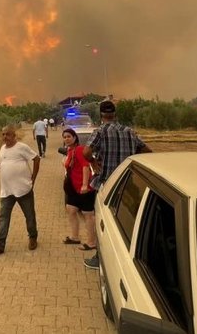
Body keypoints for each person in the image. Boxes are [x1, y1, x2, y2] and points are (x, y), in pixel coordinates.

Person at [82, 100, 151, 269]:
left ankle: (100, 258)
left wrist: (92, 162)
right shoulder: (129, 132)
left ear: (101, 115)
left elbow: (86, 151)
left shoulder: (101, 131)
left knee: (104, 222)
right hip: (128, 184)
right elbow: (147, 150)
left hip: (108, 184)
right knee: (125, 223)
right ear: (115, 114)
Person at [0, 124, 41, 257]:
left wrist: (34, 178)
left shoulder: (21, 147)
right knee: (3, 217)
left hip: (23, 189)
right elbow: (2, 165)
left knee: (29, 215)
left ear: (14, 135)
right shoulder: (2, 149)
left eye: (8, 134)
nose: (5, 137)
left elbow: (36, 159)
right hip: (7, 191)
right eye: (3, 134)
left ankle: (33, 237)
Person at [60, 128, 97, 251]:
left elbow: (85, 167)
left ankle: (92, 243)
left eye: (69, 136)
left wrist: (85, 185)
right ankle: (75, 237)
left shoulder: (80, 149)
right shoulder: (71, 151)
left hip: (84, 189)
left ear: (75, 138)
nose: (66, 139)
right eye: (64, 137)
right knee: (71, 209)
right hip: (74, 189)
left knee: (88, 215)